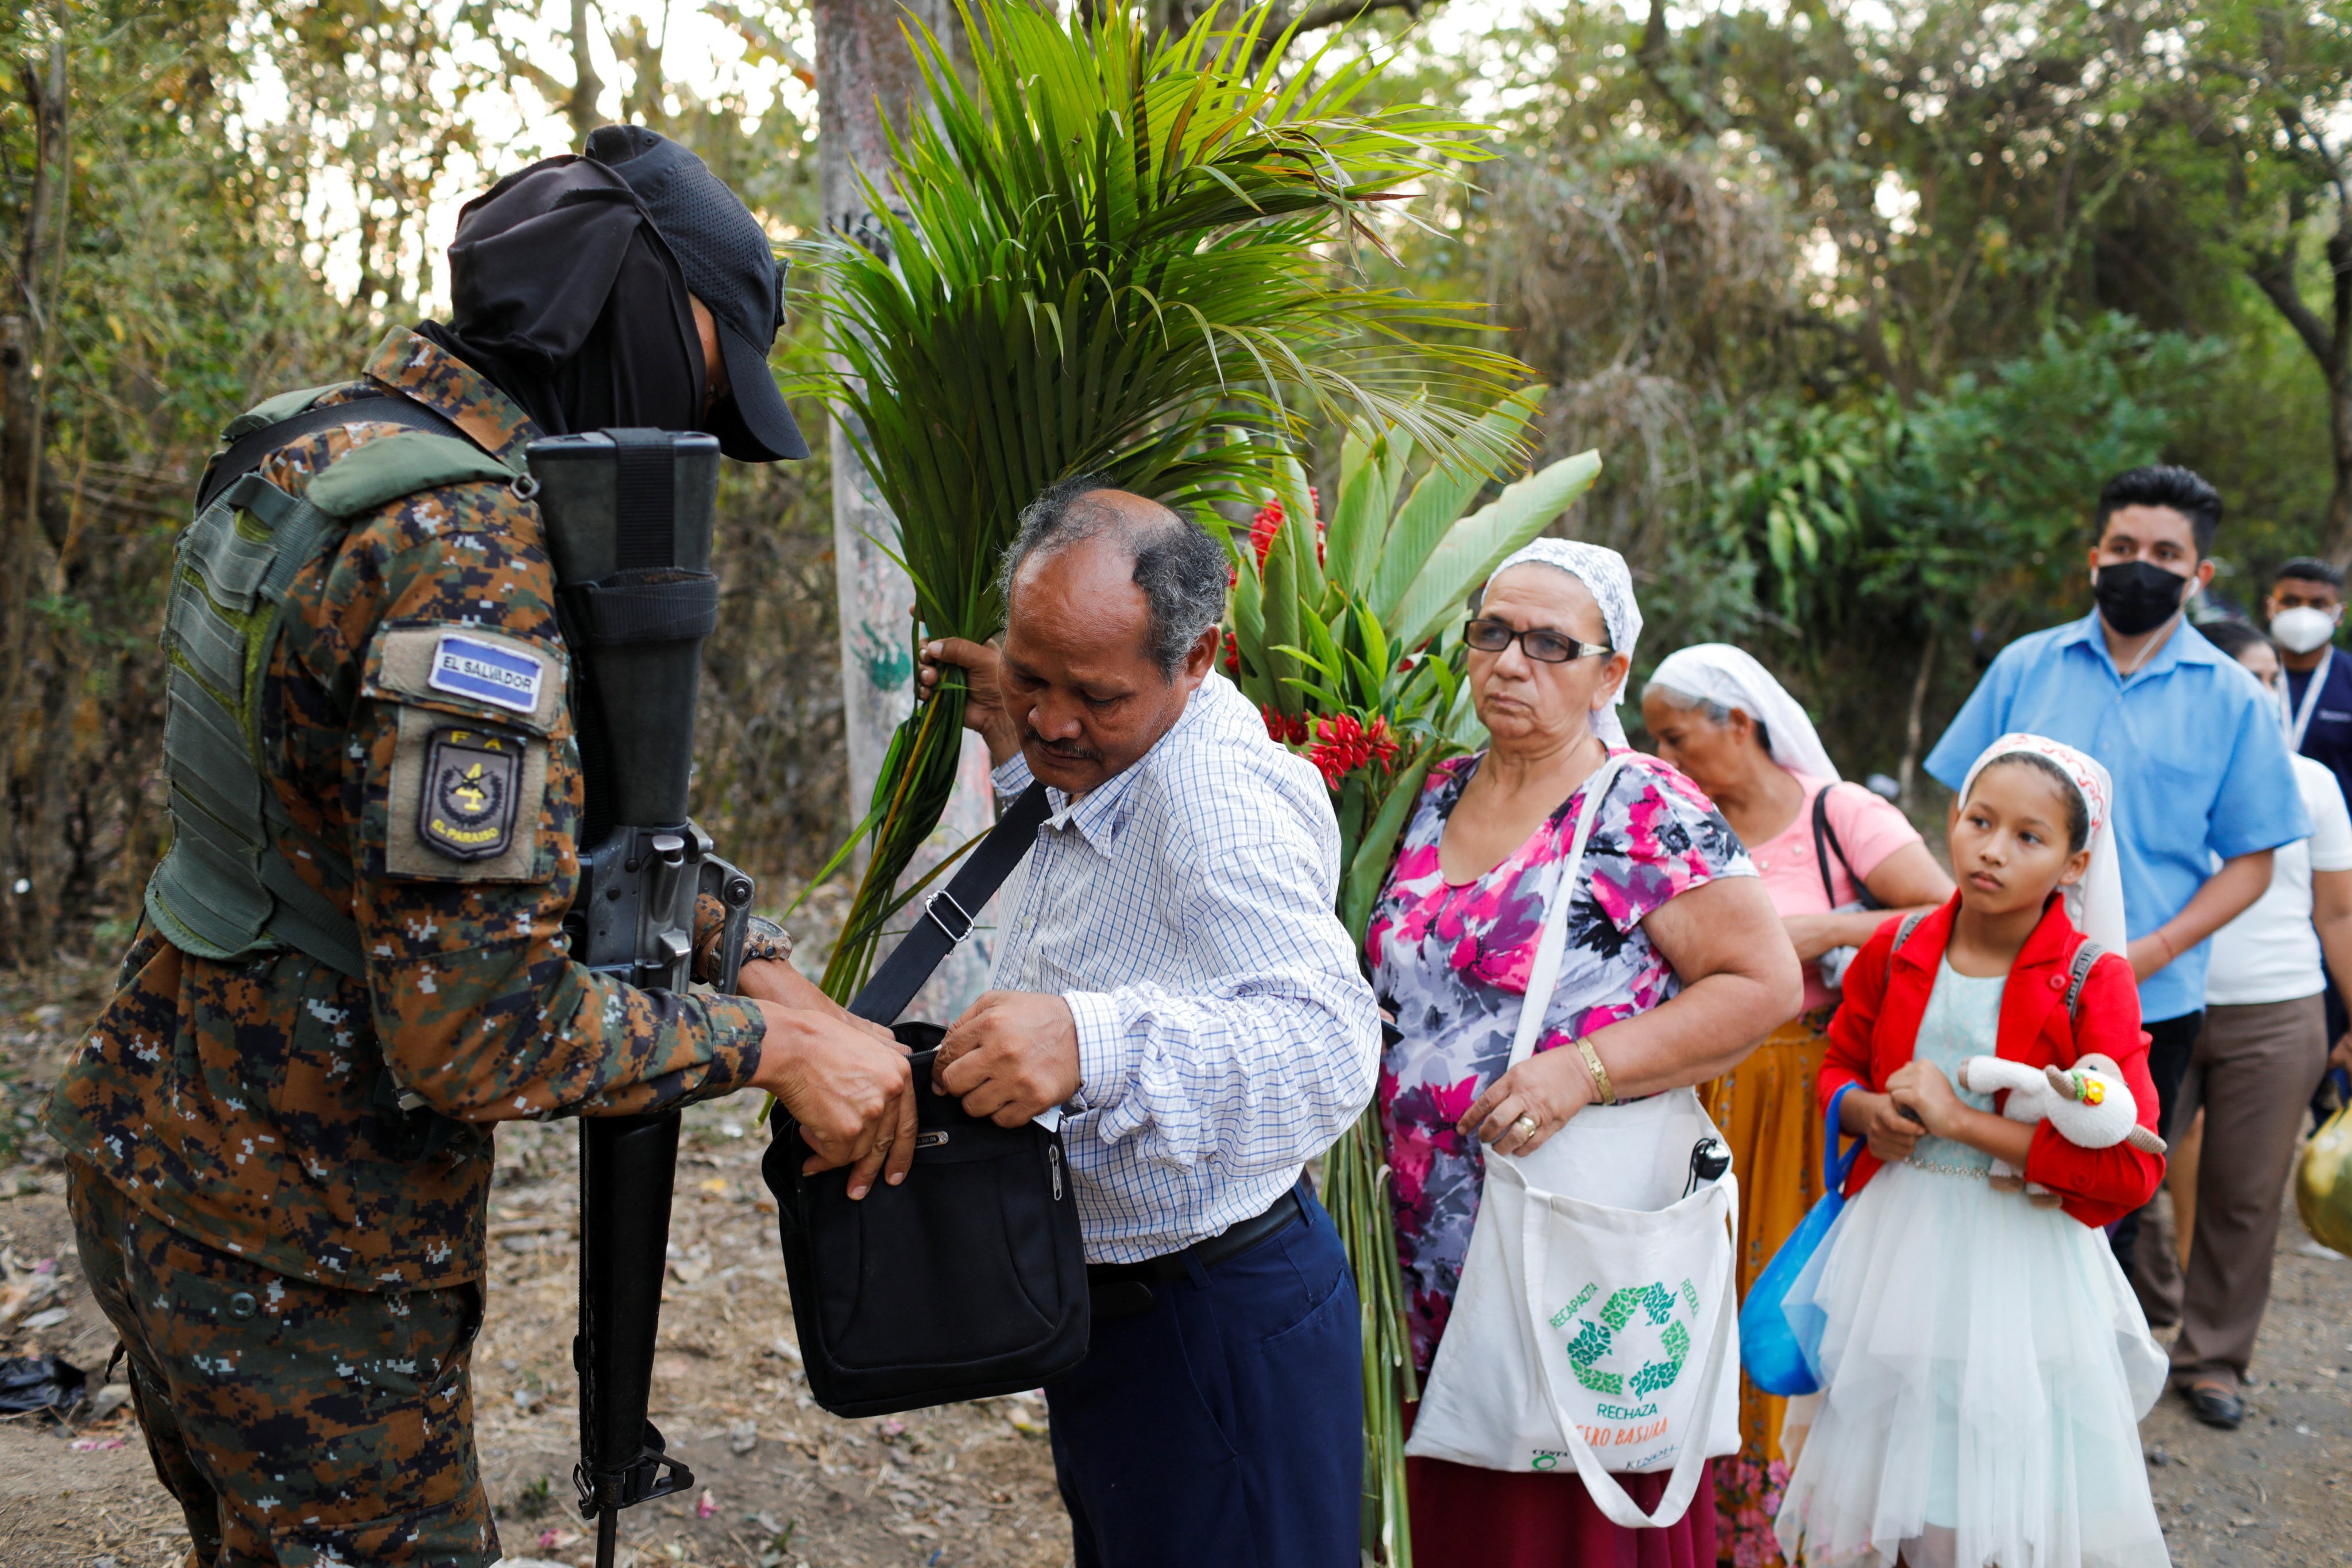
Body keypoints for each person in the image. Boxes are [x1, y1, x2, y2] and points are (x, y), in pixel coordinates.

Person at [43, 131, 914, 1567]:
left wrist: (740, 954)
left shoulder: (319, 439)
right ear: (628, 317)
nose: (697, 422)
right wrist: (770, 1052)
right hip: (302, 1243)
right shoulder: (463, 549)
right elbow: (476, 1032)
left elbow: (386, 845)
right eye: (702, 377)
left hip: (158, 1149)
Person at [914, 478, 1378, 1568]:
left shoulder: (1214, 797)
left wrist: (1094, 1039)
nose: (1055, 715)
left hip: (1211, 1325)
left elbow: (1329, 1040)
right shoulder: (1125, 751)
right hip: (1128, 1312)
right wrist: (1031, 749)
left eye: (1096, 695)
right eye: (1032, 675)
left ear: (1200, 657)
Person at [1365, 540, 1802, 1567]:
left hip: (1561, 1248)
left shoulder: (1644, 808)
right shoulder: (1427, 793)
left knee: (1558, 1519)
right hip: (1418, 1249)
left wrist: (1582, 1069)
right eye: (1493, 633)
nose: (1512, 662)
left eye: (1553, 644)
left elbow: (1763, 984)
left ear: (1611, 675)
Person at [1776, 735, 2168, 1568]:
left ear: (2075, 862)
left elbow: (2132, 1162)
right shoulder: (1899, 945)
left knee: (1997, 1469)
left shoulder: (2092, 978)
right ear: (1951, 819)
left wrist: (1961, 1121)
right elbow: (1840, 1062)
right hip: (1897, 1250)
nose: (1992, 849)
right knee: (1903, 1466)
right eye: (1980, 820)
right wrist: (1864, 1108)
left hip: (2020, 1265)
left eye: (2029, 837)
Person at [1922, 464, 2307, 1284]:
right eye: (2125, 545)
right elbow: (1965, 803)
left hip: (2144, 1000)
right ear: (2096, 556)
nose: (2141, 564)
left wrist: (2151, 951)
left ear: (2198, 575)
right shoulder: (2026, 668)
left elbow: (2254, 861)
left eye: (2166, 553)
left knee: (2103, 1200)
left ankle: (2078, 1388)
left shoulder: (2233, 696)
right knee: (1973, 1171)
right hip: (1998, 980)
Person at [1640, 643, 1952, 1564]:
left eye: (1677, 735)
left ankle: (1775, 1528)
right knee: (1686, 1296)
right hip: (1695, 1086)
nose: (1666, 755)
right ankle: (1685, 1512)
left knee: (1779, 1294)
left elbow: (1950, 915)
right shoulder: (1678, 820)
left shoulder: (1838, 814)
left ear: (1740, 722)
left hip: (1798, 1088)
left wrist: (1827, 929)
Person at [2135, 619, 2352, 1429]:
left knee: (2244, 1195)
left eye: (2269, 677)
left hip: (2279, 1011)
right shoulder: (2153, 771)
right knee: (2115, 1176)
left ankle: (2213, 1359)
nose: (2259, 692)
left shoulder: (2312, 783)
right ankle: (2120, 1329)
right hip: (2158, 1006)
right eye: (2240, 675)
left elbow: (2337, 913)